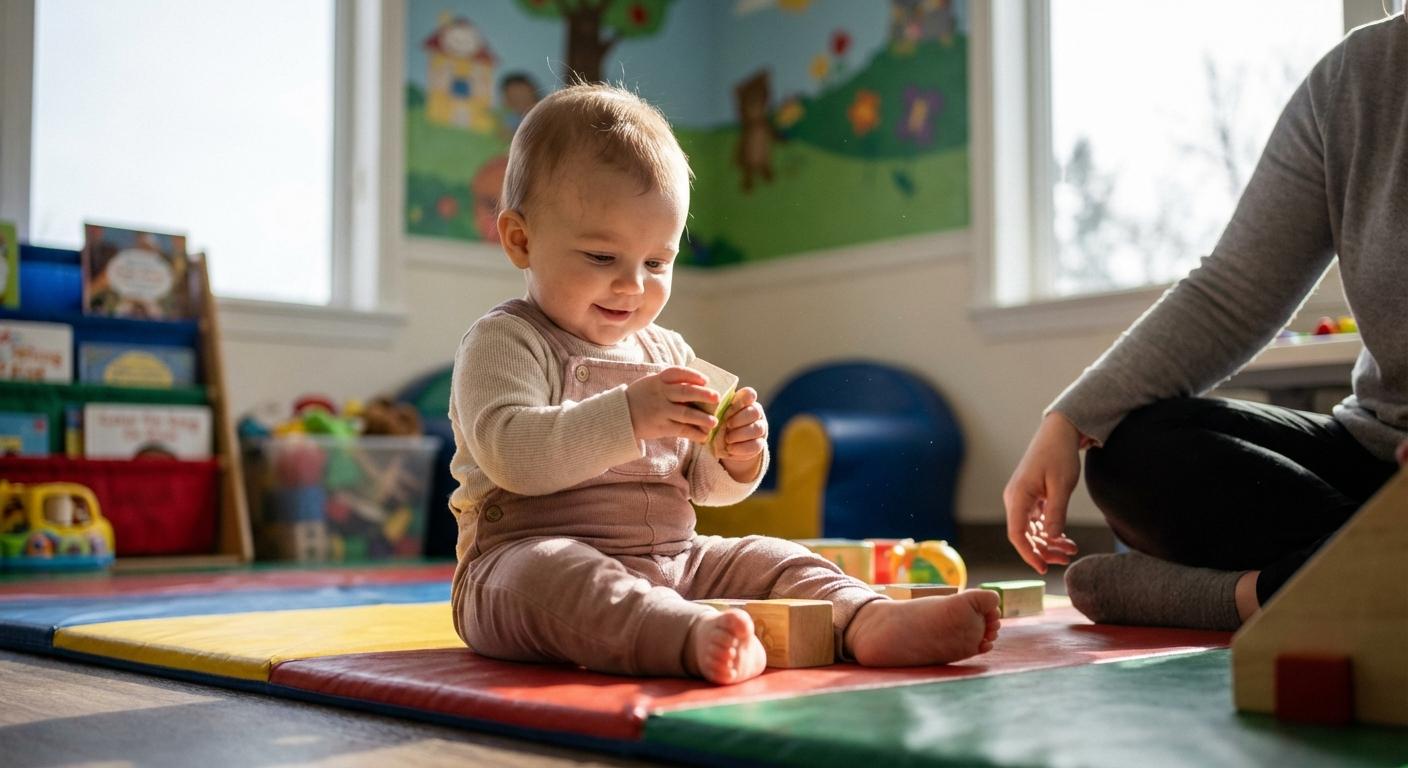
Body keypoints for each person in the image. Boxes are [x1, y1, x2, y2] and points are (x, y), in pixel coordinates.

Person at [448, 83, 1000, 684]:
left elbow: (702, 489)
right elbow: (514, 458)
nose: (633, 286)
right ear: (520, 240)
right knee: (556, 573)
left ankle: (867, 619)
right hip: (517, 567)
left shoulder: (670, 351)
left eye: (657, 263)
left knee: (775, 555)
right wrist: (630, 415)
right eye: (602, 258)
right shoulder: (505, 341)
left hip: (675, 562)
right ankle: (685, 637)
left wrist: (734, 458)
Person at [1003, 13, 1408, 632]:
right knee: (1126, 450)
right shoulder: (1354, 77)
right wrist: (1068, 418)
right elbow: (1233, 290)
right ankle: (1357, 580)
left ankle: (1251, 599)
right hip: (1375, 455)